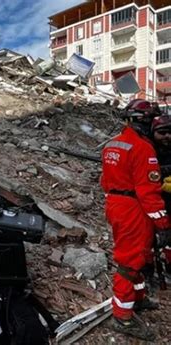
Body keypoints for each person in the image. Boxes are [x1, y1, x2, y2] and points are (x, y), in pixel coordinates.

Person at [101, 99, 169, 341]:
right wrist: (163, 222)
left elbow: (105, 181)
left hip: (116, 203)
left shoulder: (112, 144)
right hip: (133, 208)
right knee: (130, 261)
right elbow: (148, 191)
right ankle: (122, 316)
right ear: (145, 122)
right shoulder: (143, 148)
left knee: (141, 255)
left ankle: (138, 298)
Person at [151, 115, 171, 274]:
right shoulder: (149, 150)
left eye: (170, 132)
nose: (167, 136)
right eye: (162, 132)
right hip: (155, 204)